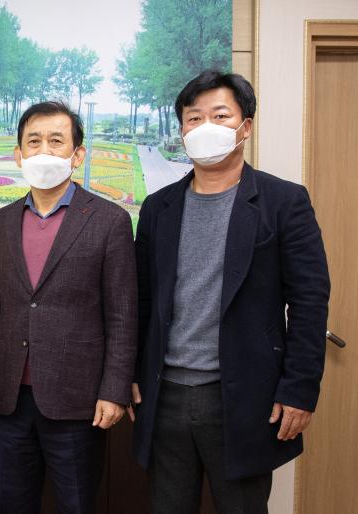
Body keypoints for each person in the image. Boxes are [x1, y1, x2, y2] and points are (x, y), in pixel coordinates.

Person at [129, 70, 330, 514]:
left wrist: (299, 389)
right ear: (182, 130)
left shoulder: (284, 202)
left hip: (243, 397)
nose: (206, 127)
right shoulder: (159, 207)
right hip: (165, 397)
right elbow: (142, 300)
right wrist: (132, 372)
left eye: (220, 116)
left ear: (246, 126)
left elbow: (309, 303)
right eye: (194, 118)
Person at [0, 101, 137, 514]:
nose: (44, 151)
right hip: (10, 395)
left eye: (56, 141)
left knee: (77, 503)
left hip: (78, 398)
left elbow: (122, 316)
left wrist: (114, 390)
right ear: (18, 154)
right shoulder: (0, 223)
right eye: (34, 141)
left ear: (77, 155)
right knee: (11, 503)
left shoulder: (109, 220)